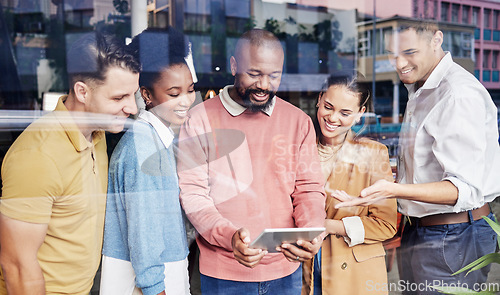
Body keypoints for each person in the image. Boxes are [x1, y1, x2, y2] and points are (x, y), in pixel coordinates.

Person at [333, 21, 500, 293]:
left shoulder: (455, 94)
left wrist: (391, 190)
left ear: (436, 40)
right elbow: (427, 167)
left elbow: (464, 188)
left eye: (409, 52)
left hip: (453, 236)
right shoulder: (422, 88)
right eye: (392, 54)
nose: (398, 63)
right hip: (425, 231)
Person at [176, 29, 326, 294]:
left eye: (274, 76)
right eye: (254, 74)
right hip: (224, 272)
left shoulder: (298, 122)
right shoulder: (198, 119)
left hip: (285, 269)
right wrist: (230, 237)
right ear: (234, 66)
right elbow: (193, 194)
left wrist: (311, 230)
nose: (264, 85)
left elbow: (309, 188)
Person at [0, 31, 140, 295]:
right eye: (119, 98)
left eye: (132, 95)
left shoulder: (97, 134)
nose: (132, 108)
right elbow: (17, 266)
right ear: (82, 92)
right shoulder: (37, 156)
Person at [100, 27, 195, 295]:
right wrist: (155, 288)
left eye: (190, 90)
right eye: (174, 93)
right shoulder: (143, 146)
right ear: (147, 94)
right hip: (152, 285)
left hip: (163, 274)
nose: (186, 101)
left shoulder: (156, 139)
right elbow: (145, 233)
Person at [302, 74, 397, 295]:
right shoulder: (299, 148)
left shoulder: (374, 154)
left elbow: (386, 224)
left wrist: (330, 226)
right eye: (328, 107)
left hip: (354, 271)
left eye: (345, 113)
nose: (333, 118)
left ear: (360, 114)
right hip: (305, 264)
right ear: (319, 99)